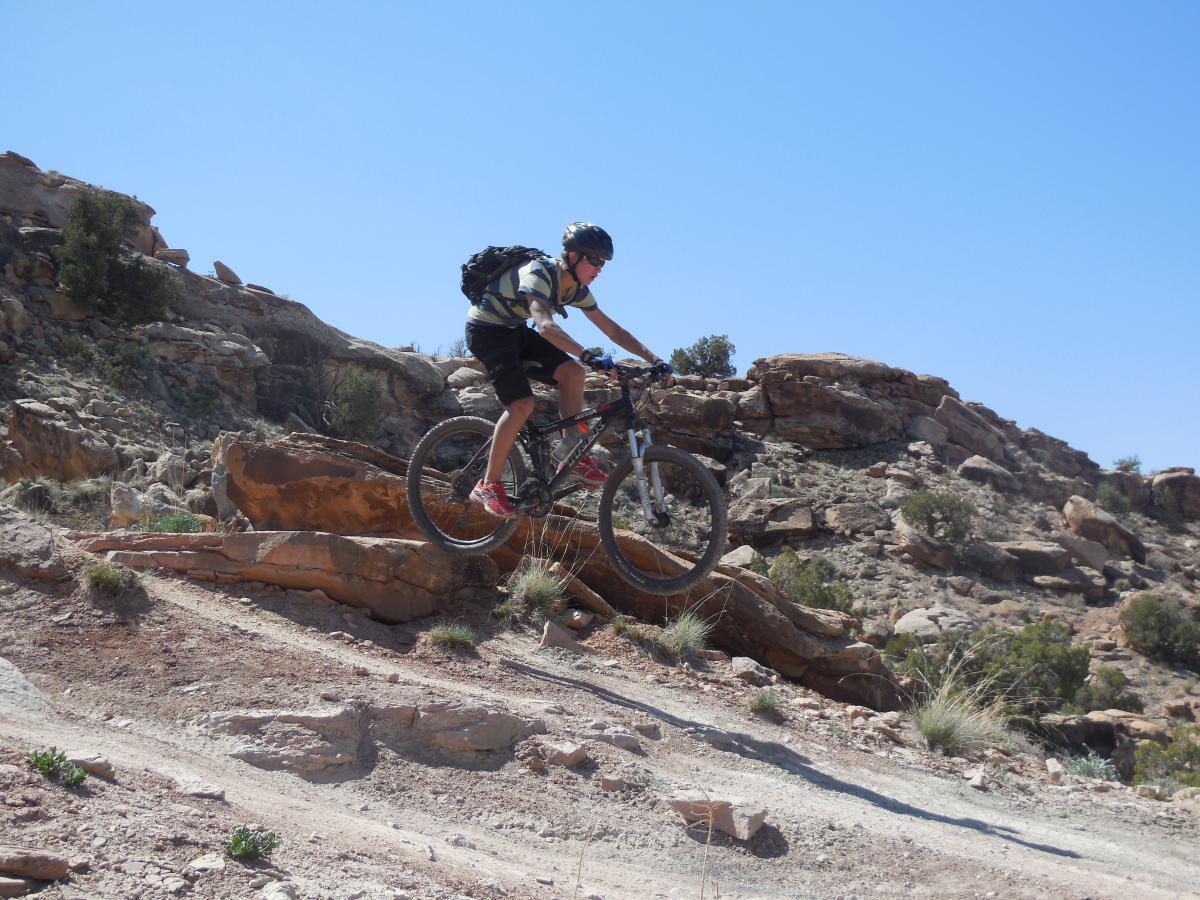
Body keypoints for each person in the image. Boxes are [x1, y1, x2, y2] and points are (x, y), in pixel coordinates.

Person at [465, 222, 672, 518]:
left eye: (604, 263)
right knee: (522, 404)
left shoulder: (576, 288)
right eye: (595, 260)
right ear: (573, 256)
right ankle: (488, 484)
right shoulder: (537, 273)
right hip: (486, 331)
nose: (600, 268)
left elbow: (613, 329)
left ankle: (569, 458)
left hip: (513, 331)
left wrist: (655, 359)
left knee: (573, 374)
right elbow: (546, 326)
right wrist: (589, 355)